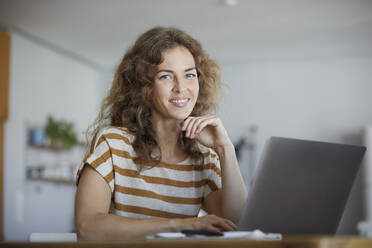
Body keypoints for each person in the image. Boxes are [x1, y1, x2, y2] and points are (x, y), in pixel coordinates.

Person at [75, 26, 247, 240]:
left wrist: (225, 148)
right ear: (143, 87)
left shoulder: (205, 158)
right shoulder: (113, 143)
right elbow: (87, 227)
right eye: (166, 77)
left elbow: (237, 226)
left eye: (189, 75)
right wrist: (181, 225)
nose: (181, 87)